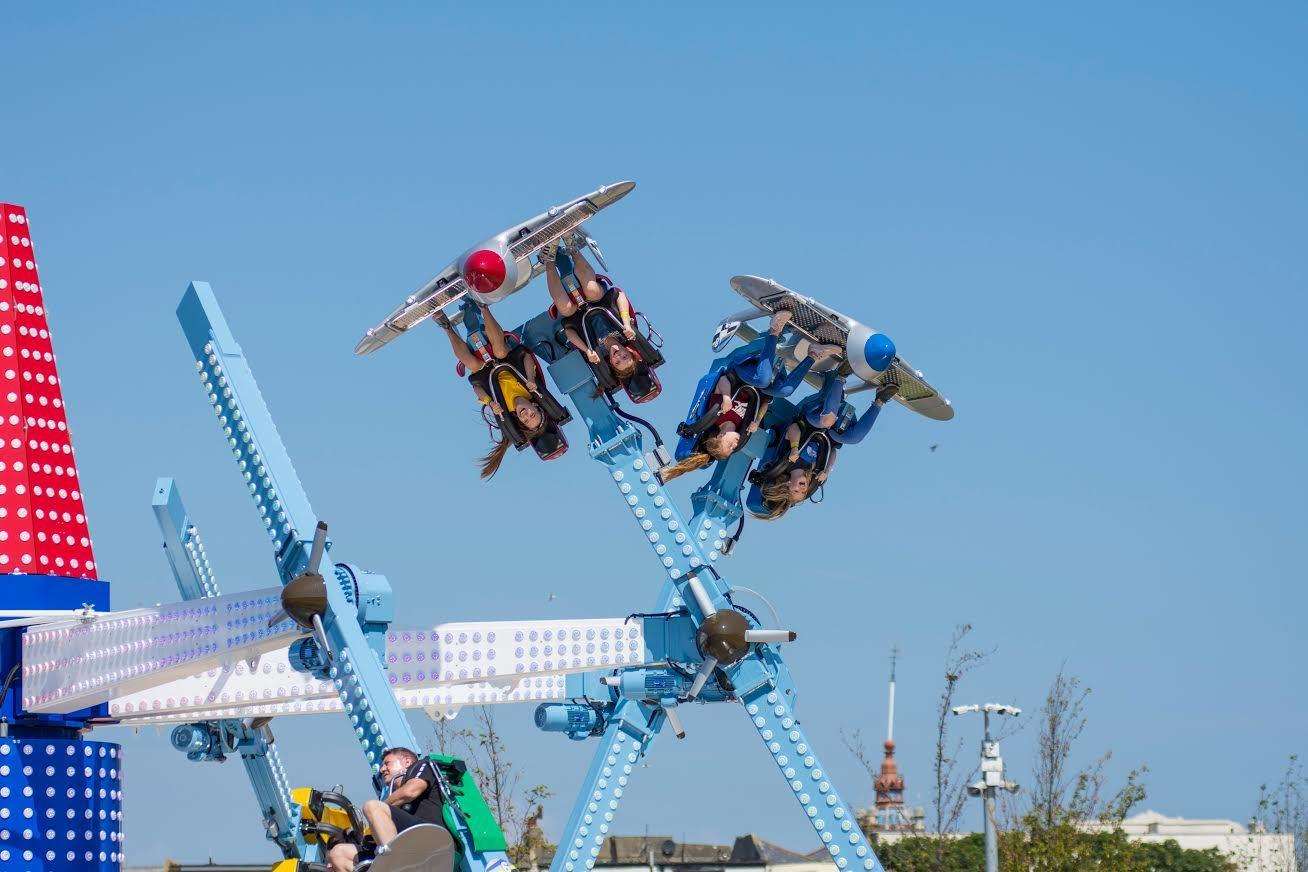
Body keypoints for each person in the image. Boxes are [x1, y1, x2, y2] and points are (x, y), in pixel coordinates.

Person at [661, 311, 838, 482]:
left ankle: (775, 328)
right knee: (785, 391)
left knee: (762, 379)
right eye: (733, 449)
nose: (735, 445)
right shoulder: (743, 426)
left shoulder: (716, 415)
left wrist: (727, 398)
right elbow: (765, 402)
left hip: (742, 371)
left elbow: (723, 379)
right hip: (761, 383)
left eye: (729, 446)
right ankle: (814, 353)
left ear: (721, 436)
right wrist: (758, 419)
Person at [433, 301, 568, 478]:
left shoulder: (504, 408)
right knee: (500, 351)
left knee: (472, 364)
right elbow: (527, 358)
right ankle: (482, 306)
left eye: (525, 419)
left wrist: (490, 403)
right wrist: (530, 378)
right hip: (506, 355)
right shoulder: (531, 390)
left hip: (483, 368)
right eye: (532, 414)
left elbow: (478, 390)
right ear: (536, 407)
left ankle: (446, 325)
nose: (526, 414)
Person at [749, 376, 899, 518]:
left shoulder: (786, 462)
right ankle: (880, 399)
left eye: (796, 490)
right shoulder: (813, 470)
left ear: (788, 484)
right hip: (831, 429)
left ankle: (841, 375)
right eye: (803, 491)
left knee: (827, 420)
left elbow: (793, 428)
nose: (802, 488)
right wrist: (827, 470)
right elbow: (832, 450)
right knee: (854, 438)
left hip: (811, 416)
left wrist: (795, 448)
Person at [544, 242, 663, 402]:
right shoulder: (625, 333)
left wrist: (587, 350)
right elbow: (620, 295)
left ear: (611, 363)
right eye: (625, 357)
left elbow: (569, 332)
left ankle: (549, 262)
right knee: (592, 290)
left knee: (565, 308)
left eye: (617, 362)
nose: (619, 356)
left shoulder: (597, 351)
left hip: (577, 312)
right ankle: (572, 246)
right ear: (630, 352)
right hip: (600, 298)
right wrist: (627, 323)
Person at [326, 747, 446, 872]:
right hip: (404, 845)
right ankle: (393, 863)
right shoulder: (391, 795)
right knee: (338, 853)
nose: (382, 769)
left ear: (407, 762)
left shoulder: (421, 766)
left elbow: (410, 792)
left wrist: (378, 808)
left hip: (428, 836)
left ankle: (396, 864)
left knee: (371, 806)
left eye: (387, 763)